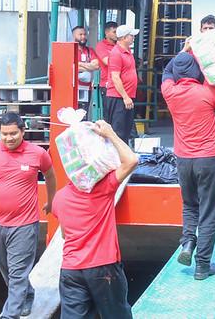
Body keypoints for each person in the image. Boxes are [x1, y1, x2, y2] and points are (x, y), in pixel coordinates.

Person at [161, 51, 215, 280]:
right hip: (208, 160)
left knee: (189, 206)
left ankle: (187, 243)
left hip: (183, 160)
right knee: (209, 213)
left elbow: (167, 71)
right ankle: (202, 266)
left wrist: (184, 50)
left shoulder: (170, 91)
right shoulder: (208, 92)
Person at [0, 112, 57, 319]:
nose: (9, 138)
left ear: (23, 131)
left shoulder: (37, 153)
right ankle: (28, 295)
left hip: (24, 225)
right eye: (4, 134)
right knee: (7, 270)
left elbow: (50, 175)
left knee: (18, 275)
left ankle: (11, 315)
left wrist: (51, 200)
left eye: (13, 134)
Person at [52, 120, 138, 318]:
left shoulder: (59, 198)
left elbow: (66, 234)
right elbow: (131, 160)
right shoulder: (102, 188)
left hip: (71, 270)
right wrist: (110, 134)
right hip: (103, 267)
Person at [104, 25, 140, 148]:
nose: (133, 37)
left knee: (125, 130)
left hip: (125, 97)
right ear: (124, 37)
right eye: (131, 36)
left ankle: (122, 158)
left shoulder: (127, 52)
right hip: (118, 98)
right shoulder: (116, 53)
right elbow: (115, 77)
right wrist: (125, 96)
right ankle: (118, 160)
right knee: (118, 131)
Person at [72, 26, 100, 115]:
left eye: (84, 34)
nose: (83, 37)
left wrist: (79, 64)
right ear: (74, 36)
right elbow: (71, 67)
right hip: (73, 88)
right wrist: (88, 65)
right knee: (73, 113)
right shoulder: (70, 49)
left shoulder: (89, 50)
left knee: (84, 113)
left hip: (87, 88)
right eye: (80, 34)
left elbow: (96, 65)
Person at [95, 21, 119, 103]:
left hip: (121, 84)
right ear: (106, 32)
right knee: (109, 113)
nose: (117, 34)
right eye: (114, 32)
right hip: (107, 84)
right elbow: (107, 61)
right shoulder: (101, 45)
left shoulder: (120, 45)